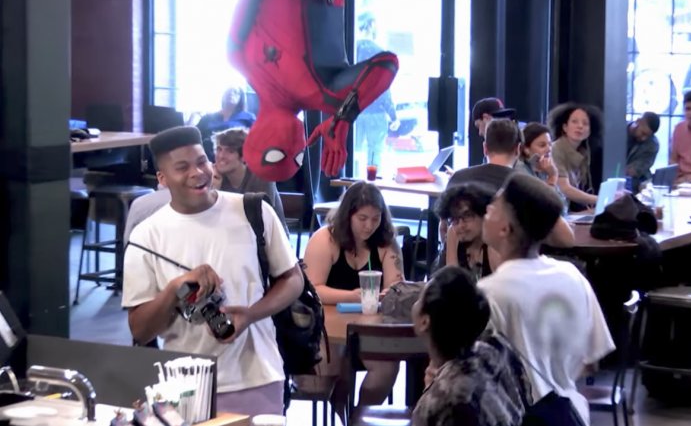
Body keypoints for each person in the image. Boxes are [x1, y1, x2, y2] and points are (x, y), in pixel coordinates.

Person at [122, 126, 304, 417]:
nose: (197, 173)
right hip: (184, 388)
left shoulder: (253, 210)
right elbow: (140, 330)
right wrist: (175, 289)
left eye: (202, 161)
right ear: (162, 179)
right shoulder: (146, 236)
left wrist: (251, 314)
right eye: (182, 167)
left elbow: (293, 279)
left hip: (259, 377)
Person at [479, 174, 615, 426]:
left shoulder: (489, 292)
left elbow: (473, 374)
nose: (486, 210)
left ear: (505, 229)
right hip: (571, 414)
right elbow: (591, 362)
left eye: (492, 208)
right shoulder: (573, 276)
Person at [302, 181, 405, 418]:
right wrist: (352, 296)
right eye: (362, 218)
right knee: (337, 375)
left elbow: (397, 288)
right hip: (328, 330)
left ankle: (359, 418)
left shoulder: (386, 242)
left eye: (376, 218)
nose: (369, 226)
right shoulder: (325, 239)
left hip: (371, 328)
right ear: (348, 216)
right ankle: (343, 416)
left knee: (387, 369)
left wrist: (386, 295)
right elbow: (312, 289)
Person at [411, 266, 529, 426]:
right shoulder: (494, 351)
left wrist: (433, 389)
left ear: (424, 322)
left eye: (419, 299)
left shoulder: (439, 400)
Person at [448, 118, 574, 249]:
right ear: (518, 149)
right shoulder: (524, 185)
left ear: (485, 148)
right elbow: (565, 238)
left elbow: (445, 228)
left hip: (461, 259)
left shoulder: (457, 178)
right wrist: (552, 178)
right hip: (511, 257)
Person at [211, 127, 287, 229]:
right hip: (233, 233)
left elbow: (261, 218)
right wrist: (214, 190)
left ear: (244, 156)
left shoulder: (262, 175)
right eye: (219, 149)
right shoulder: (215, 175)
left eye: (230, 151)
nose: (221, 156)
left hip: (268, 234)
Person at [354, 13, 399, 169]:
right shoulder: (379, 53)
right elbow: (384, 88)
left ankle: (350, 183)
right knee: (374, 156)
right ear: (372, 25)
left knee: (353, 155)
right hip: (376, 113)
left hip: (354, 112)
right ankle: (371, 183)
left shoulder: (353, 51)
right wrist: (393, 115)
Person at [434, 183, 500, 279]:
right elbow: (452, 280)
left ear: (483, 215)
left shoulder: (494, 243)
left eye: (467, 216)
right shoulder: (453, 232)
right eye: (455, 219)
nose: (461, 225)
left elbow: (503, 286)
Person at [549, 103, 600, 211]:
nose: (580, 126)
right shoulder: (555, 149)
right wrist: (600, 199)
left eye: (585, 123)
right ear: (565, 127)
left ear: (590, 131)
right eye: (574, 121)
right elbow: (565, 189)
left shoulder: (583, 152)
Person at [196, 87, 256, 161]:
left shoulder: (248, 117)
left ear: (241, 98)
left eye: (235, 92)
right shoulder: (208, 117)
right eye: (228, 92)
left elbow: (257, 139)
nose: (231, 93)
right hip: (208, 159)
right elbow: (194, 136)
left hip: (236, 160)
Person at [626, 112, 661, 192]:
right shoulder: (617, 130)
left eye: (647, 136)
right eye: (643, 133)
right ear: (638, 121)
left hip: (636, 181)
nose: (644, 138)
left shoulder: (652, 144)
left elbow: (634, 171)